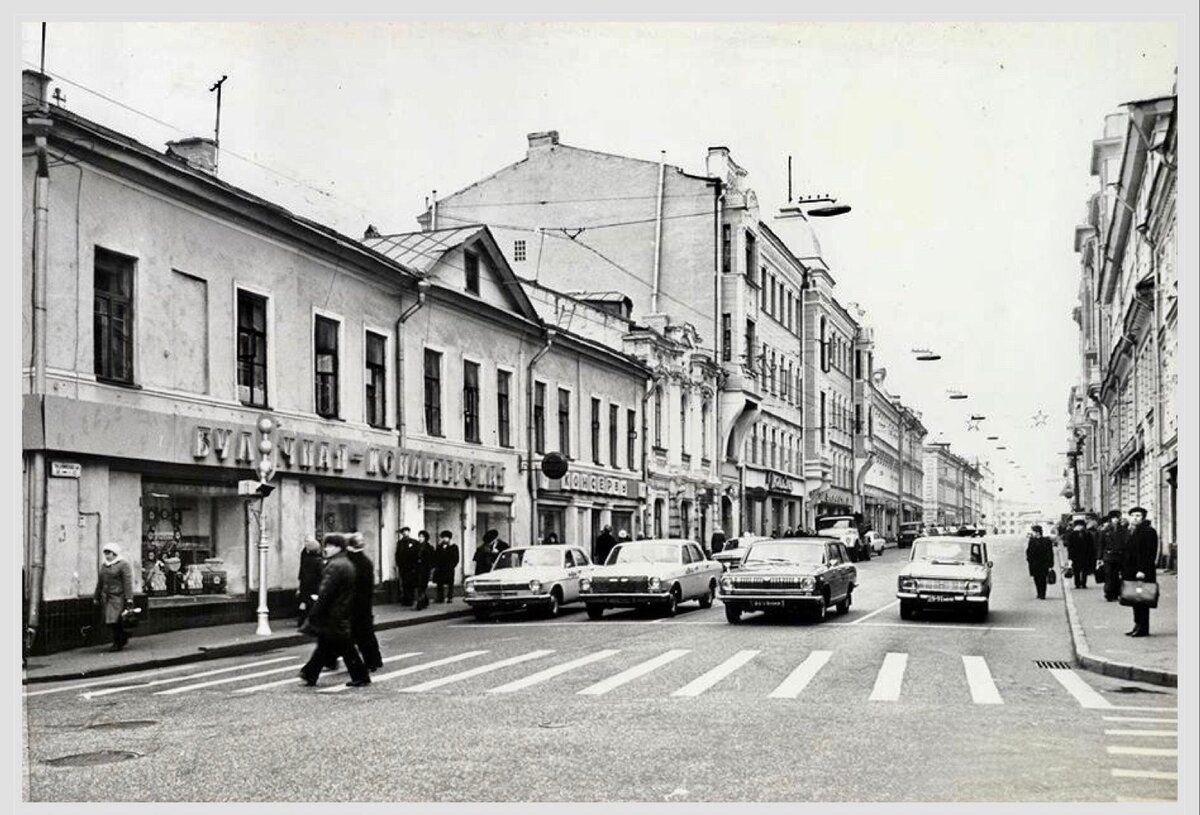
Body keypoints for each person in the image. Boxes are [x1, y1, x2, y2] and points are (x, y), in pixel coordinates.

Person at [299, 533, 371, 687]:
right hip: (340, 610)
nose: (326, 549)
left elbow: (326, 592)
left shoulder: (335, 566)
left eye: (329, 546)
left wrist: (315, 611)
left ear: (338, 547)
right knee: (327, 644)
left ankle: (361, 675)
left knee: (344, 645)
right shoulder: (346, 563)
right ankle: (310, 673)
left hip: (333, 612)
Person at [345, 533, 383, 671]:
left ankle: (369, 663)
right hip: (364, 603)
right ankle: (375, 660)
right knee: (366, 633)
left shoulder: (353, 561)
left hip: (354, 603)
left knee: (356, 635)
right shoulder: (365, 561)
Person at [1123, 507, 1158, 638]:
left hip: (1142, 572)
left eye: (1138, 515)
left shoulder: (1149, 532)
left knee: (1143, 600)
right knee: (1135, 600)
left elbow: (1149, 553)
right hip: (1131, 572)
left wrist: (1142, 570)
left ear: (1143, 517)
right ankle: (1137, 625)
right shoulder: (1131, 531)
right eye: (1133, 515)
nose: (1135, 518)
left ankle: (1143, 628)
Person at [93, 543, 135, 652]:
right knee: (111, 620)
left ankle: (117, 642)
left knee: (113, 620)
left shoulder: (123, 564)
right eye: (105, 553)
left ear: (115, 553)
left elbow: (127, 582)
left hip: (118, 597)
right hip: (106, 597)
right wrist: (96, 596)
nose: (107, 556)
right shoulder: (104, 566)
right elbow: (100, 582)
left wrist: (129, 598)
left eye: (109, 553)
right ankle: (123, 636)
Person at [1100, 510, 1129, 602]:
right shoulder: (1105, 530)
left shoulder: (1124, 530)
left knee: (1116, 575)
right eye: (1113, 518)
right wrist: (1099, 558)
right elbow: (1100, 545)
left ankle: (1116, 593)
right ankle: (1108, 593)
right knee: (1108, 575)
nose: (1115, 520)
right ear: (1110, 519)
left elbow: (1126, 543)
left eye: (1117, 518)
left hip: (1120, 556)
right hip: (1108, 556)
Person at [297, 537, 323, 628]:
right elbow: (321, 575)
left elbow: (302, 573)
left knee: (304, 603)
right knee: (313, 604)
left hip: (305, 584)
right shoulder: (319, 561)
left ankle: (301, 621)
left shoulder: (306, 559)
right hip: (315, 585)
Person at [1025, 525, 1055, 599]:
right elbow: (1028, 551)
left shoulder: (1046, 541)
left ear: (1037, 532)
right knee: (1036, 578)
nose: (1032, 533)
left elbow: (1050, 553)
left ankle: (1042, 594)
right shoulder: (1031, 540)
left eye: (1033, 532)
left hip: (1043, 563)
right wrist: (1029, 559)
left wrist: (1050, 564)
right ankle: (1038, 592)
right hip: (1034, 563)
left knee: (1043, 578)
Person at [1065, 519, 1095, 589]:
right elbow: (1070, 547)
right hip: (1075, 556)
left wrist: (1091, 555)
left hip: (1085, 555)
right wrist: (1070, 557)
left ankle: (1084, 583)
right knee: (1076, 570)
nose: (1080, 527)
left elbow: (1091, 546)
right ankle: (1077, 583)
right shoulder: (1072, 535)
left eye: (1081, 525)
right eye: (1078, 526)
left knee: (1085, 570)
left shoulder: (1087, 534)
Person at [433, 530, 460, 603]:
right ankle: (440, 597)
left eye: (446, 538)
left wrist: (452, 566)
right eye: (443, 537)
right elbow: (436, 556)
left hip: (449, 568)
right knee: (440, 583)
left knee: (450, 583)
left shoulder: (454, 547)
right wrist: (436, 565)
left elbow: (456, 558)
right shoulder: (439, 546)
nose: (445, 539)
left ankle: (449, 597)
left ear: (449, 538)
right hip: (440, 568)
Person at [395, 527, 418, 606]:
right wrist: (399, 564)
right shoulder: (400, 543)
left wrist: (415, 566)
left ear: (409, 532)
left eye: (406, 531)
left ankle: (410, 599)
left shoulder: (413, 542)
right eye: (403, 532)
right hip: (403, 567)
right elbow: (397, 554)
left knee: (410, 584)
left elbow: (416, 554)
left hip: (411, 567)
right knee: (404, 583)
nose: (405, 533)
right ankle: (405, 599)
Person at [412, 530, 435, 610]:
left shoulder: (429, 547)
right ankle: (424, 601)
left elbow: (432, 559)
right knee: (419, 586)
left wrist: (430, 568)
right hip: (417, 570)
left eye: (422, 537)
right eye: (419, 536)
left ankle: (420, 603)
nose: (420, 538)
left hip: (425, 570)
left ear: (426, 538)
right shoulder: (416, 546)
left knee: (422, 586)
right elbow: (412, 557)